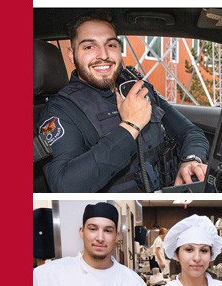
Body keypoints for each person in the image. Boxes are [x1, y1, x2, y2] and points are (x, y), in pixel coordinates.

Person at [37, 11, 209, 192]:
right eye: (89, 47)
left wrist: (191, 160)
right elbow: (65, 186)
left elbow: (189, 131)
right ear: (72, 55)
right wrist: (130, 125)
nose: (103, 55)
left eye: (111, 45)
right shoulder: (61, 109)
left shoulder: (137, 87)